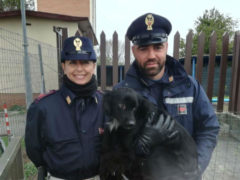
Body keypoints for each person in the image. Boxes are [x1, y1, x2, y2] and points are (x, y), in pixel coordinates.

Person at [115, 12, 220, 178]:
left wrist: (197, 165)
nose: (151, 56)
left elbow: (209, 128)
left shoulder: (190, 87)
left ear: (166, 46)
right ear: (134, 50)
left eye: (157, 47)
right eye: (143, 48)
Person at [25, 36, 105, 180]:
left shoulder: (106, 104)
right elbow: (34, 150)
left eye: (85, 62)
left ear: (93, 66)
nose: (79, 69)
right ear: (64, 66)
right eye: (72, 63)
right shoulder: (43, 108)